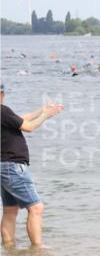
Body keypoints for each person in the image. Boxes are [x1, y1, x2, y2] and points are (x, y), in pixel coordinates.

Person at [1, 83, 64, 247]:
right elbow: (28, 127)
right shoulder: (2, 110)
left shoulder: (4, 114)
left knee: (10, 210)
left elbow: (22, 119)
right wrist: (45, 116)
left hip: (3, 166)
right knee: (36, 208)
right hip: (12, 165)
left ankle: (9, 248)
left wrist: (42, 111)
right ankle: (37, 249)